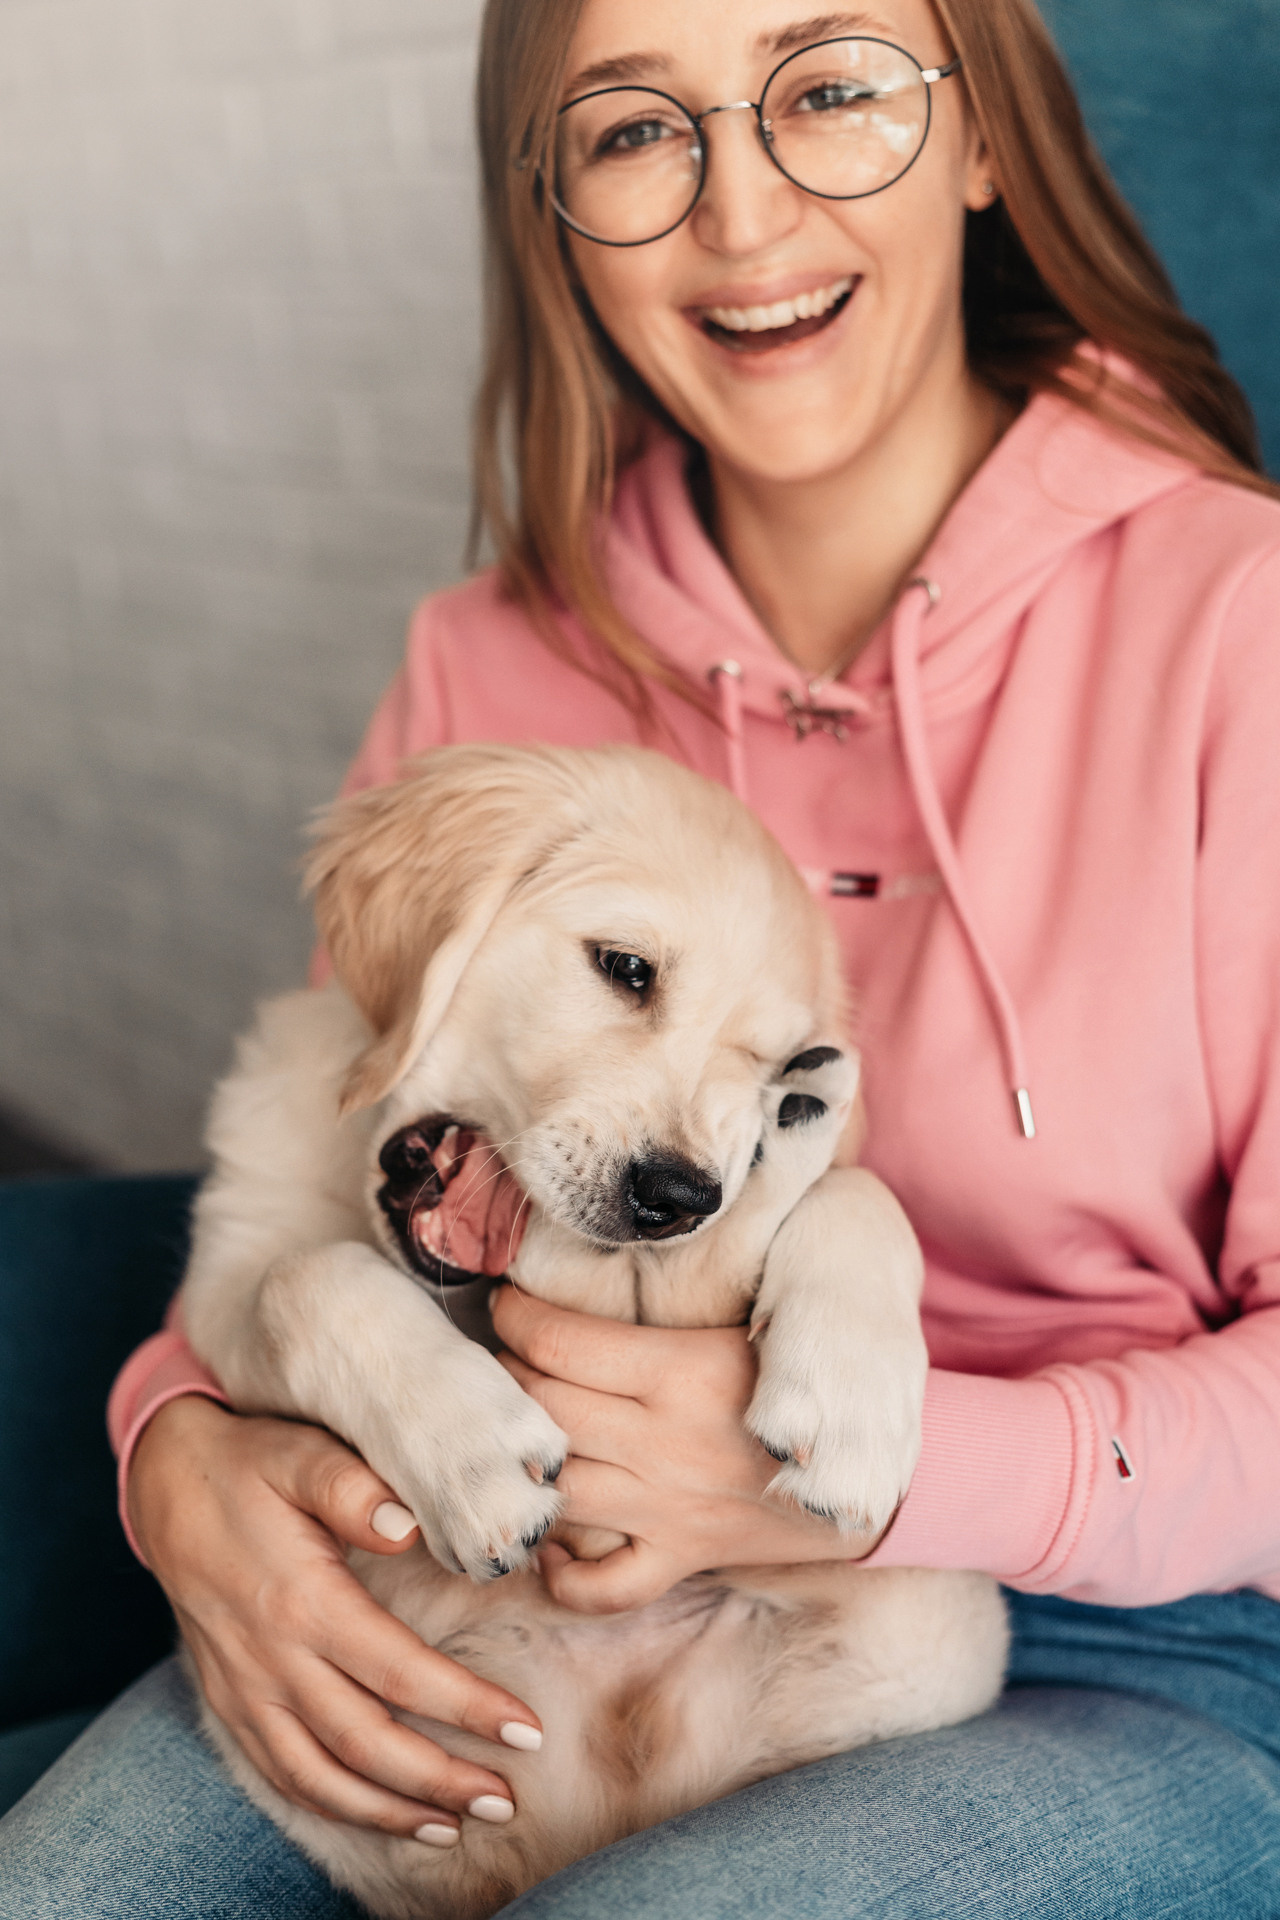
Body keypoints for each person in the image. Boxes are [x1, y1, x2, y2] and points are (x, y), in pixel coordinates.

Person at [4, 0, 1280, 1911]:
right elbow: (329, 1164)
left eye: (831, 89)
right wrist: (170, 1455)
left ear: (986, 136)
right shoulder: (488, 664)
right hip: (481, 1563)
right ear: (558, 214)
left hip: (1131, 1638)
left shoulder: (1241, 632)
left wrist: (891, 1476)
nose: (741, 218)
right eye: (631, 131)